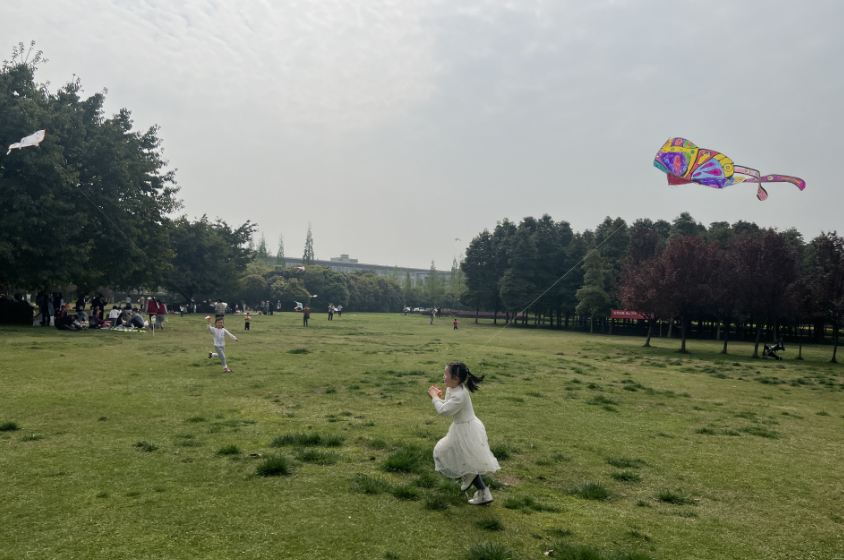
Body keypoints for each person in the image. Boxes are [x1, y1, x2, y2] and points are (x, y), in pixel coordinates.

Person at [426, 361, 499, 505]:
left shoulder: (459, 395)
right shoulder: (453, 389)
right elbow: (448, 405)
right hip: (461, 428)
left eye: (446, 373)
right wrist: (437, 398)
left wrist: (434, 397)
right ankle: (482, 492)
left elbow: (444, 411)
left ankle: (470, 477)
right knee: (461, 458)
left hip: (467, 431)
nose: (443, 376)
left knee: (442, 452)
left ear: (456, 378)